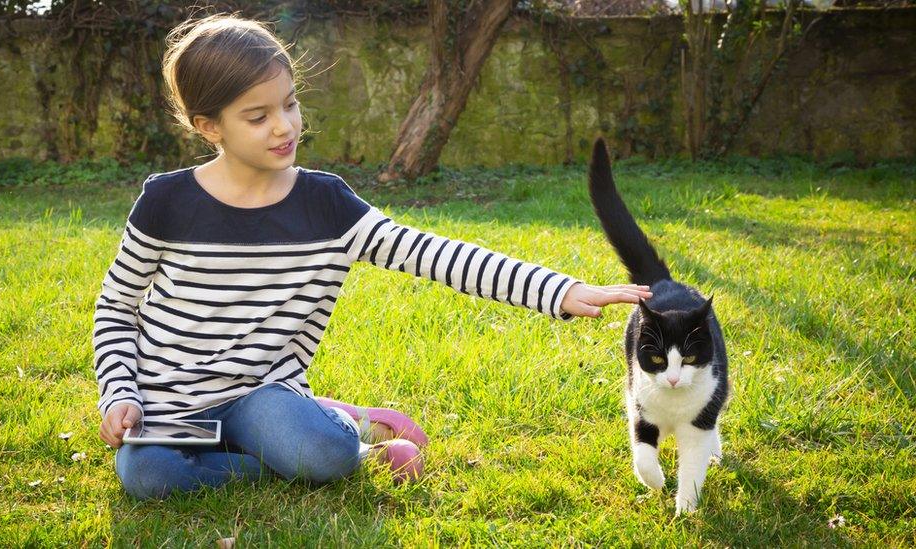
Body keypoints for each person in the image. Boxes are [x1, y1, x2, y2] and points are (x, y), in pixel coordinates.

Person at [93, 13, 652, 501]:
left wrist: (557, 290)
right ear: (208, 126)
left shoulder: (325, 203)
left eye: (289, 103)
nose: (285, 126)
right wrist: (120, 393)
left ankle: (340, 432)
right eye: (257, 116)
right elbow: (116, 308)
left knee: (323, 458)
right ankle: (302, 445)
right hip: (172, 409)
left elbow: (430, 253)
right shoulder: (166, 202)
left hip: (261, 395)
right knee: (149, 476)